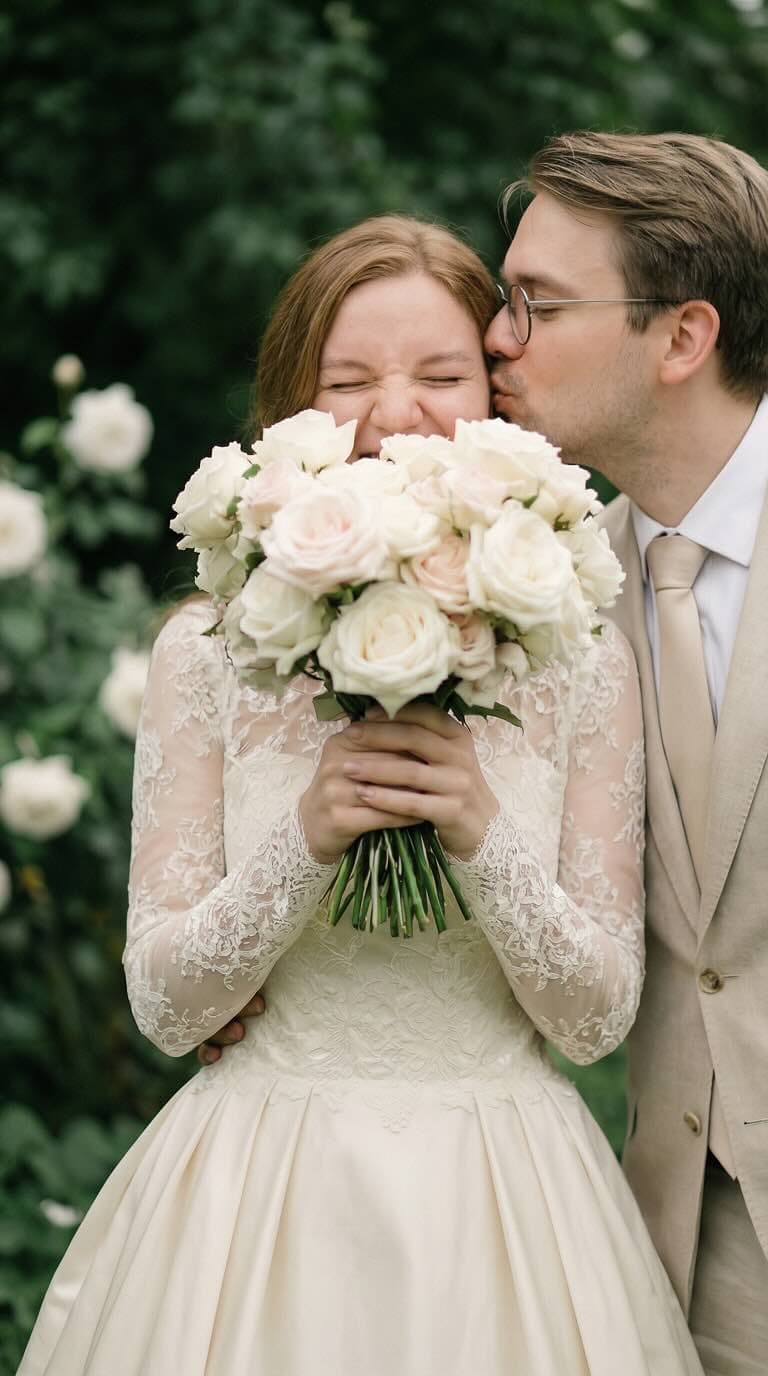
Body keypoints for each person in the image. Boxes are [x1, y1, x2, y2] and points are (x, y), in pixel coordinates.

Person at [19, 214, 702, 1375]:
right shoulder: (207, 648)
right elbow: (168, 1004)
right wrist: (305, 839)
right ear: (291, 403)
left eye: (441, 374)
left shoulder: (583, 651)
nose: (395, 409)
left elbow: (594, 1015)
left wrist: (480, 831)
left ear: (495, 397)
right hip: (258, 1191)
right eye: (348, 377)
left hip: (506, 1196)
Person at [484, 131, 768, 1375]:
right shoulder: (535, 588)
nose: (498, 335)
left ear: (682, 338)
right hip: (654, 1257)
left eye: (537, 303)